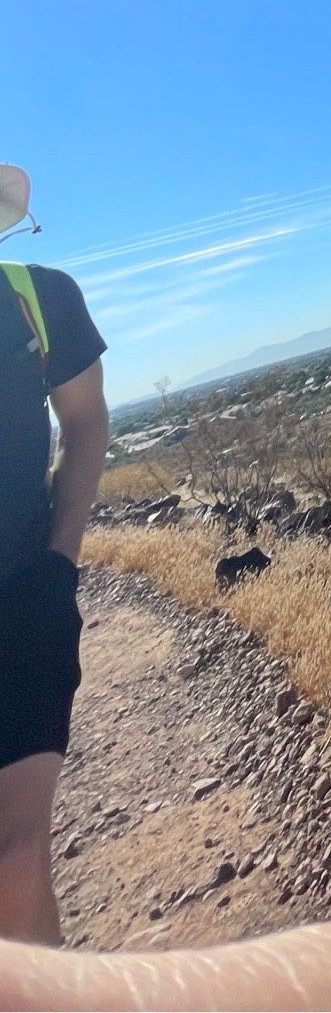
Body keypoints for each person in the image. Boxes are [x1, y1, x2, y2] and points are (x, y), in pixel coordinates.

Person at [0, 170, 111, 945]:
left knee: (14, 858)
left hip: (21, 597)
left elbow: (86, 423)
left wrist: (57, 563)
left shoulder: (39, 299)